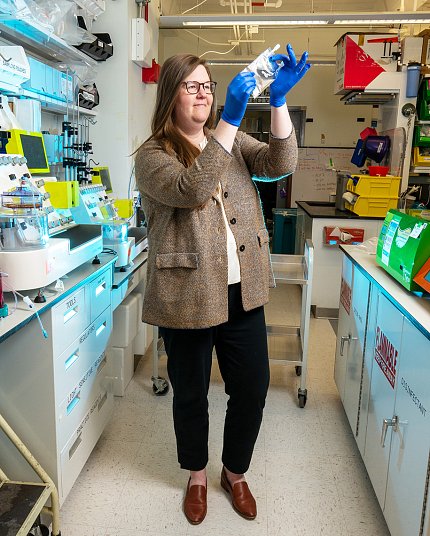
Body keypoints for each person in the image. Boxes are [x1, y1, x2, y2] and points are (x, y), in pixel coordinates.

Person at [135, 45, 310, 525]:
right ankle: (196, 474)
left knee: (252, 388)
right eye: (193, 86)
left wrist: (275, 102)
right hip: (188, 294)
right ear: (171, 94)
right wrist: (231, 118)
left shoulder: (227, 140)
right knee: (190, 392)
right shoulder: (152, 156)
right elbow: (192, 190)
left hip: (242, 290)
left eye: (209, 86)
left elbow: (281, 161)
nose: (204, 94)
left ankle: (234, 472)